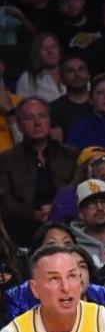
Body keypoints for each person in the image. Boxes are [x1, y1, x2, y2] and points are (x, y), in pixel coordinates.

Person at [0, 98, 77, 247]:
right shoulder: (6, 160)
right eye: (29, 118)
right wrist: (33, 214)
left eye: (42, 116)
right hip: (23, 228)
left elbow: (77, 191)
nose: (37, 123)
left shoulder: (70, 155)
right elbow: (6, 201)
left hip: (66, 223)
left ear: (49, 121)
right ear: (20, 125)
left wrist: (57, 208)